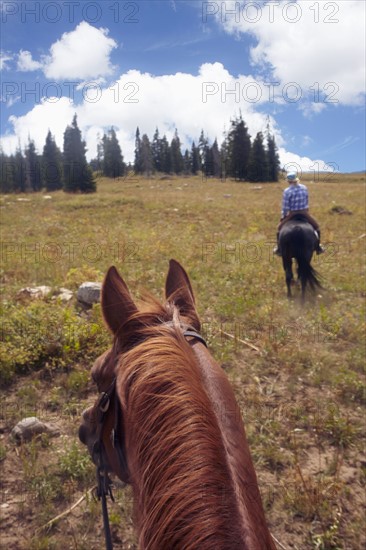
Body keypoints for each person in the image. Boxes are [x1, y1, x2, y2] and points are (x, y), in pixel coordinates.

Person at [274, 172, 325, 255]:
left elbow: (285, 207)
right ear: (297, 179)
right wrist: (306, 211)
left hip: (292, 213)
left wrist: (283, 216)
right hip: (304, 212)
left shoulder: (287, 191)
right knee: (317, 227)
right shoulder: (304, 188)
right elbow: (306, 200)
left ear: (288, 181)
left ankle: (279, 248)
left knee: (279, 228)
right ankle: (318, 247)